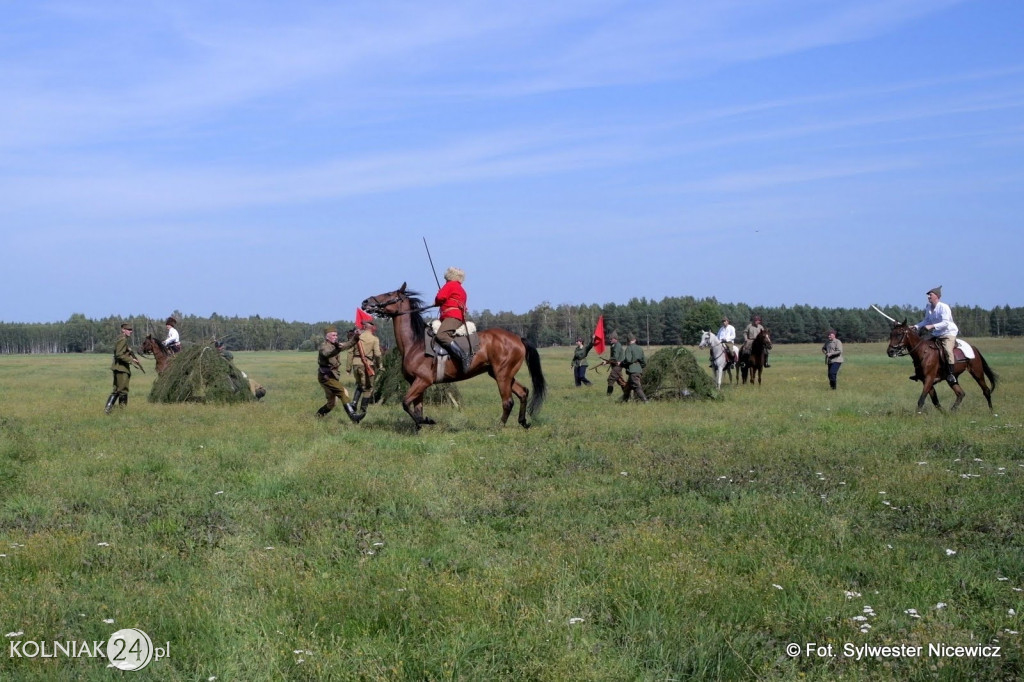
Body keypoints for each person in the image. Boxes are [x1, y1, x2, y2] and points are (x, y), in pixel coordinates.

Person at [316, 325, 362, 422]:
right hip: (326, 377)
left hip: (332, 376)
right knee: (342, 392)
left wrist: (356, 336)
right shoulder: (324, 346)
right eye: (333, 335)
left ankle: (317, 416)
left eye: (336, 335)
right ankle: (353, 417)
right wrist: (338, 347)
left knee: (331, 403)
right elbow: (328, 353)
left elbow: (349, 344)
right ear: (327, 337)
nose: (335, 337)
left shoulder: (335, 345)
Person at [915, 285, 959, 384]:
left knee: (948, 350)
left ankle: (951, 374)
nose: (928, 297)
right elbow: (926, 321)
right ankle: (920, 372)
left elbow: (946, 323)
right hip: (937, 333)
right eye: (928, 295)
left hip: (948, 333)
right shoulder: (928, 308)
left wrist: (932, 326)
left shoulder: (944, 307)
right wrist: (915, 326)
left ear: (937, 296)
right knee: (922, 345)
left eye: (930, 295)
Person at [434, 266, 470, 373]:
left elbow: (439, 298)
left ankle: (463, 356)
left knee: (441, 335)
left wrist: (439, 294)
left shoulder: (450, 285)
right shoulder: (461, 289)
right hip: (458, 317)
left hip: (452, 316)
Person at [105, 323, 142, 413]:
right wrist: (131, 360)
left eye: (131, 330)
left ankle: (108, 409)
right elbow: (119, 354)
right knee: (123, 390)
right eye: (128, 330)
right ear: (123, 330)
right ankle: (122, 411)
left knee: (117, 390)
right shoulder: (123, 340)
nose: (130, 331)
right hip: (121, 368)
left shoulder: (120, 339)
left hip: (118, 367)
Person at [348, 320, 382, 416]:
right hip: (367, 364)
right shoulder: (374, 339)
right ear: (372, 328)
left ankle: (354, 404)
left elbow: (350, 352)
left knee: (359, 384)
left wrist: (348, 367)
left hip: (355, 364)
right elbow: (378, 354)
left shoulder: (357, 337)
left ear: (364, 327)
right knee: (368, 388)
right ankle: (363, 410)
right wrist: (379, 365)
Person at [620, 333, 648, 402]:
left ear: (628, 341)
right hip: (638, 370)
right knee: (627, 388)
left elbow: (628, 360)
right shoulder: (640, 348)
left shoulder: (629, 348)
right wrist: (639, 367)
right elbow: (644, 362)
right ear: (634, 340)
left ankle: (645, 401)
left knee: (637, 387)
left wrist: (621, 364)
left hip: (633, 371)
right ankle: (623, 402)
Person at [604, 330, 627, 395]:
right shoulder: (614, 345)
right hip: (616, 365)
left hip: (617, 366)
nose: (610, 340)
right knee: (621, 381)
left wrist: (607, 361)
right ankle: (627, 395)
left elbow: (615, 357)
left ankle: (608, 396)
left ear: (615, 339)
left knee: (610, 379)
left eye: (611, 339)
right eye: (609, 339)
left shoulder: (617, 346)